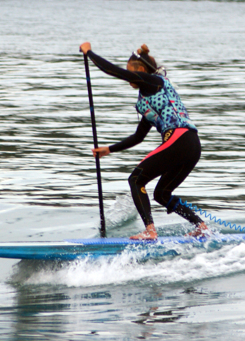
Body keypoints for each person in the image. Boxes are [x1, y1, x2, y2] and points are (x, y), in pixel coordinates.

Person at [79, 42, 208, 240]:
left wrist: (89, 53)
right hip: (191, 145)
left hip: (180, 138)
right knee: (162, 194)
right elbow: (138, 137)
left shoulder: (153, 81)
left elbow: (112, 70)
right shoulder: (144, 100)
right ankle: (200, 226)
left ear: (140, 69)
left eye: (131, 71)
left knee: (136, 179)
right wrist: (109, 149)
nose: (129, 76)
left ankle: (150, 230)